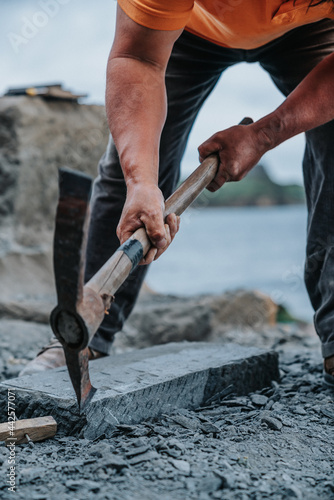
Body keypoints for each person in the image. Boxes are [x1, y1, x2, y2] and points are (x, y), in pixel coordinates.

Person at [20, 0, 334, 386]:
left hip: (310, 26)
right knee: (132, 161)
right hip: (189, 29)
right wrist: (141, 182)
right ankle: (83, 335)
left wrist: (265, 134)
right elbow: (136, 58)